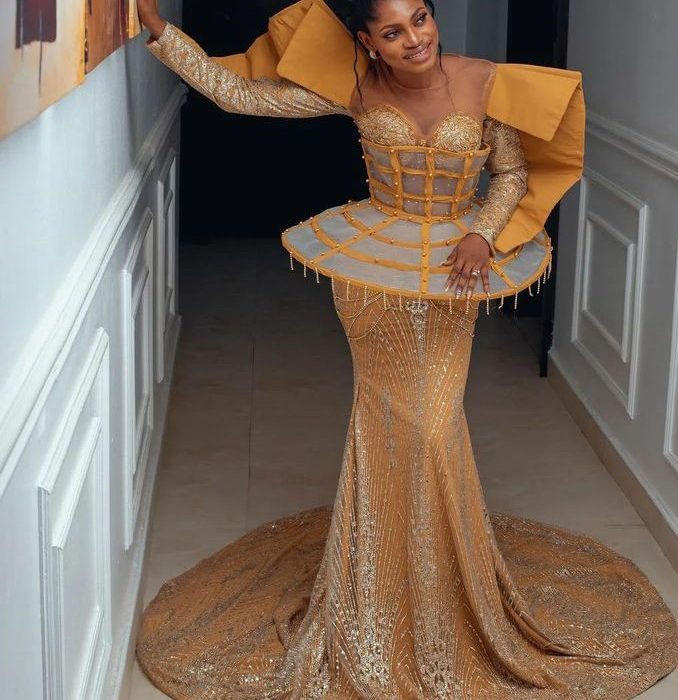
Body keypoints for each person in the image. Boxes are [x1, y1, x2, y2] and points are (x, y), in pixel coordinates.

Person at [134, 1, 678, 698]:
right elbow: (240, 94)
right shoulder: (356, 86)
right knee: (387, 421)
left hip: (453, 275)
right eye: (393, 32)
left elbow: (512, 175)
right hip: (375, 279)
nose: (415, 39)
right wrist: (160, 32)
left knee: (433, 424)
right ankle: (374, 590)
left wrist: (481, 232)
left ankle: (441, 583)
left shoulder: (483, 79)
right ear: (368, 42)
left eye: (420, 18)